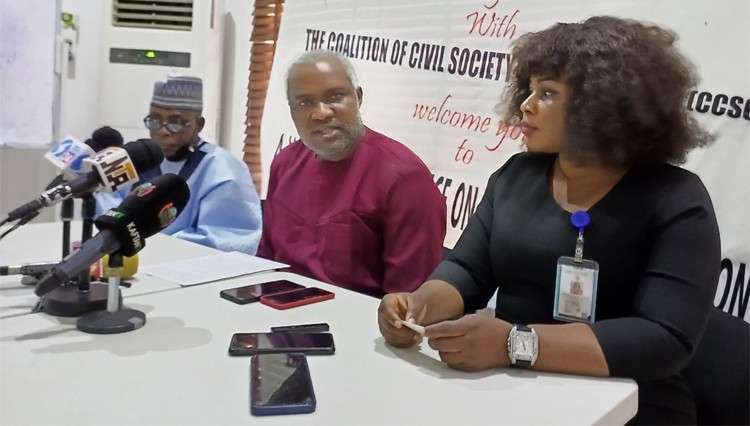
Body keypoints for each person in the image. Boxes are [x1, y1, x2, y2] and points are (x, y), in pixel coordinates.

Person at [377, 16, 720, 424]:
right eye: (530, 89)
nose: (526, 104)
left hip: (631, 406)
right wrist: (418, 306)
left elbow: (664, 338)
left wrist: (514, 344)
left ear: (602, 105)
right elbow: (467, 269)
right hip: (512, 391)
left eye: (548, 93)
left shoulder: (677, 200)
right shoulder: (515, 176)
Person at [257, 50, 446, 298]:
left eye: (335, 97)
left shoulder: (404, 179)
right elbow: (266, 262)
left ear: (358, 97)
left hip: (358, 319)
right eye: (304, 103)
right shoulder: (285, 163)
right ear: (291, 111)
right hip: (278, 310)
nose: (321, 113)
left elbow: (409, 301)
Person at [96, 76, 262, 254]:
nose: (163, 131)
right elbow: (106, 210)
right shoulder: (138, 158)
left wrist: (149, 248)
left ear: (199, 125)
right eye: (154, 120)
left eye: (176, 123)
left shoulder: (225, 171)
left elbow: (226, 240)